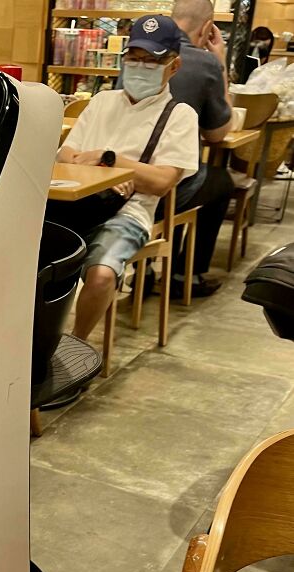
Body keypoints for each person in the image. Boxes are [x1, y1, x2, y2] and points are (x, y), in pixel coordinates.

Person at [55, 15, 199, 341]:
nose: (140, 67)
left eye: (151, 62)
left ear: (173, 67)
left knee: (102, 275)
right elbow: (66, 155)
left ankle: (77, 347)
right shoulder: (101, 101)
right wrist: (111, 173)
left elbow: (163, 181)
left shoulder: (180, 116)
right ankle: (33, 342)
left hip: (129, 213)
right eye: (134, 59)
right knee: (25, 259)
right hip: (76, 205)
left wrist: (111, 160)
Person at [168, 0, 235, 297]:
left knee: (197, 176)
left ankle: (164, 267)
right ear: (208, 27)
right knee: (220, 182)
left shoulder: (138, 55)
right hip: (172, 184)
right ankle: (186, 274)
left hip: (127, 176)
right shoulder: (203, 61)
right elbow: (219, 133)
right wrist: (219, 60)